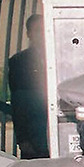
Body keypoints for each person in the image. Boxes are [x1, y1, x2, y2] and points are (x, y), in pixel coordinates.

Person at [8, 14, 49, 159]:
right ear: (29, 34)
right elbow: (18, 103)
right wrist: (23, 139)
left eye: (44, 29)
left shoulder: (61, 56)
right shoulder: (19, 61)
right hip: (34, 135)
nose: (42, 34)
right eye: (37, 30)